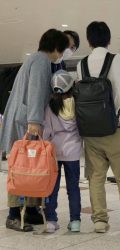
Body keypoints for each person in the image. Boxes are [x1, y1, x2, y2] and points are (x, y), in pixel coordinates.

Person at [77, 21, 120, 233]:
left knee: (96, 177)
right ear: (109, 39)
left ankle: (99, 220)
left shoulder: (82, 64)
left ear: (88, 41)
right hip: (117, 127)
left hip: (91, 131)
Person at [0, 29, 68, 232]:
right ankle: (13, 214)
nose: (61, 54)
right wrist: (35, 122)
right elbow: (37, 92)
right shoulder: (41, 61)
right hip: (27, 122)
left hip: (20, 118)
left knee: (30, 166)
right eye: (62, 50)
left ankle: (30, 209)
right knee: (20, 168)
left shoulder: (33, 58)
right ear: (56, 48)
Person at [43, 70, 82, 233]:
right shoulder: (78, 103)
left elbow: (46, 132)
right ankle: (75, 222)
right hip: (73, 152)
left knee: (52, 187)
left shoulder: (51, 106)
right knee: (73, 188)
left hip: (54, 152)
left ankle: (51, 221)